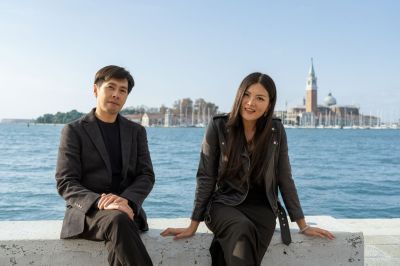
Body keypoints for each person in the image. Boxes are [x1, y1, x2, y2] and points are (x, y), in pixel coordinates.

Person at [161, 72, 334, 265]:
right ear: (239, 95)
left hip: (263, 209)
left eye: (260, 98)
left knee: (244, 241)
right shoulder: (218, 126)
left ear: (269, 105)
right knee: (242, 228)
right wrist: (193, 224)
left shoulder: (276, 131)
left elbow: (285, 179)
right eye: (246, 94)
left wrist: (302, 225)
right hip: (224, 205)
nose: (251, 102)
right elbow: (206, 177)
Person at [56, 65, 155, 266]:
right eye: (111, 87)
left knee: (119, 225)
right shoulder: (74, 130)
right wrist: (102, 202)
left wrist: (125, 201)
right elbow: (65, 181)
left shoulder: (136, 131)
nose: (116, 94)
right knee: (118, 221)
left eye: (122, 90)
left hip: (126, 211)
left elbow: (146, 175)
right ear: (95, 90)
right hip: (88, 212)